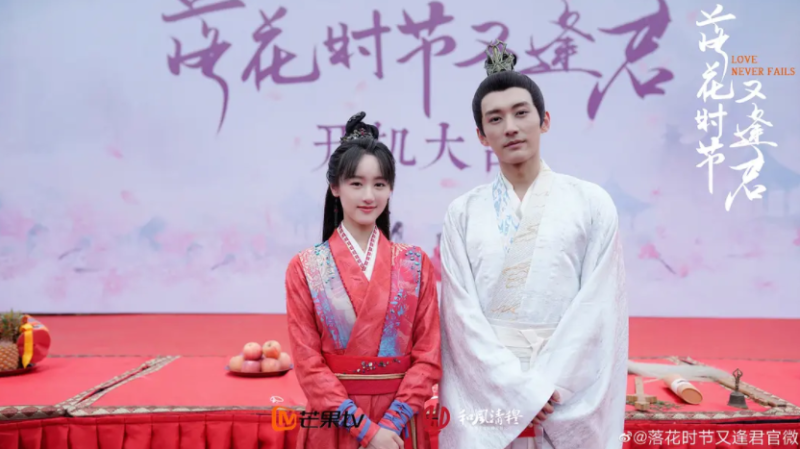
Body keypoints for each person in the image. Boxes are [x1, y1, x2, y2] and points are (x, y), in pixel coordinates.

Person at [436, 41, 629, 449]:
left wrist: (546, 388)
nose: (510, 127)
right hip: (488, 389)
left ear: (545, 120)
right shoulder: (462, 213)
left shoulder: (591, 203)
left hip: (565, 387)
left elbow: (598, 306)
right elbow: (459, 317)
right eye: (495, 118)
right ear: (481, 135)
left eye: (521, 113)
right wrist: (516, 391)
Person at [286, 112, 442, 449]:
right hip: (336, 423)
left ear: (390, 189)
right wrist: (368, 432)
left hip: (399, 425)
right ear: (335, 187)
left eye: (379, 184)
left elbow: (429, 356)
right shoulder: (305, 267)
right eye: (356, 184)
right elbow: (309, 366)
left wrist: (391, 424)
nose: (369, 195)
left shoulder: (415, 264)